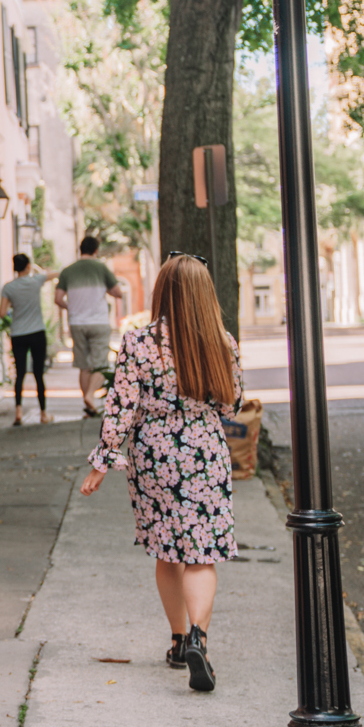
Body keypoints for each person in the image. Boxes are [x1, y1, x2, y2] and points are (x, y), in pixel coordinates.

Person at [79, 253, 243, 692]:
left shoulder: (138, 342)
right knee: (201, 552)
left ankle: (176, 641)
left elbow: (120, 407)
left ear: (162, 292)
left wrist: (102, 460)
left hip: (154, 451)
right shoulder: (223, 342)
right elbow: (231, 405)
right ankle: (199, 640)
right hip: (205, 448)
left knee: (167, 548)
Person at [56, 234, 128, 416]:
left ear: (80, 250)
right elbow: (117, 293)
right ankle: (90, 395)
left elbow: (57, 299)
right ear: (96, 250)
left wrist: (71, 308)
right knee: (101, 364)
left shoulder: (68, 271)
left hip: (76, 323)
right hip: (99, 322)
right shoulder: (101, 268)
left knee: (84, 366)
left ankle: (88, 405)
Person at [0, 252, 57, 425]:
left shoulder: (8, 287)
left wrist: (13, 307)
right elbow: (54, 274)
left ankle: (18, 413)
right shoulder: (35, 281)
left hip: (18, 333)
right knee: (39, 374)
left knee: (20, 374)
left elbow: (2, 313)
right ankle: (43, 414)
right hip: (37, 332)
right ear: (28, 266)